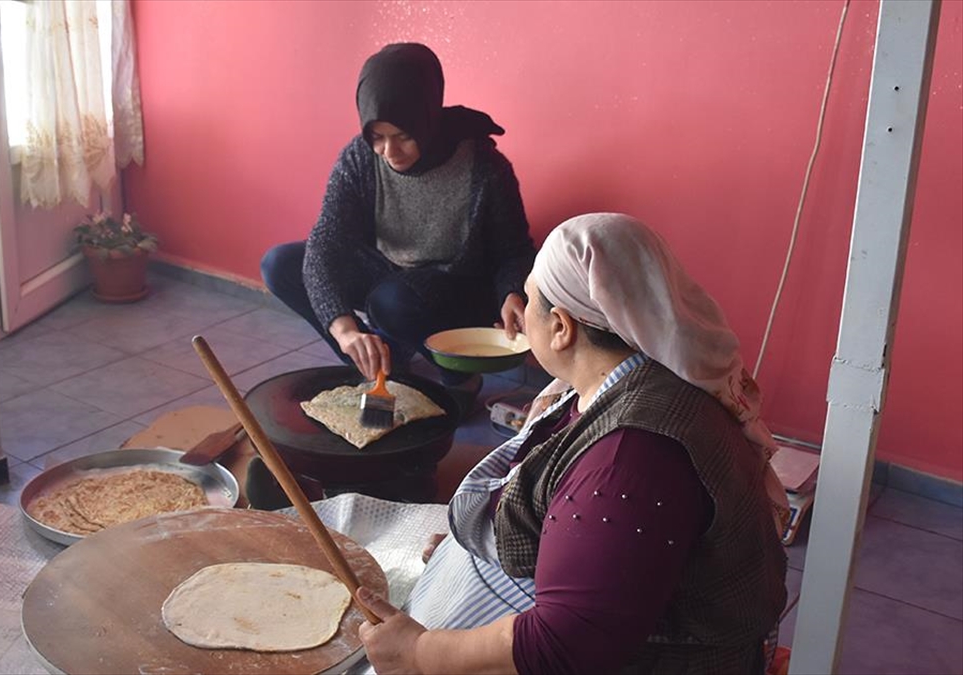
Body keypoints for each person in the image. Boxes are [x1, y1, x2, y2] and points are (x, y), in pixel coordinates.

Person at [352, 213, 791, 674]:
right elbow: (601, 536)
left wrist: (421, 654)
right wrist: (472, 552)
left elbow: (568, 643)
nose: (520, 314)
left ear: (561, 327)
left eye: (529, 298)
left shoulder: (631, 459)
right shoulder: (632, 379)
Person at [260, 43, 536, 383]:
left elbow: (515, 251)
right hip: (387, 271)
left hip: (455, 286)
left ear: (428, 120)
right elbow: (326, 244)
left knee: (391, 301)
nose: (390, 152)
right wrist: (345, 331)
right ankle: (377, 360)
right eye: (377, 137)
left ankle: (457, 376)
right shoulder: (360, 159)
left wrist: (512, 292)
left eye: (404, 136)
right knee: (280, 264)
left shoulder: (484, 166)